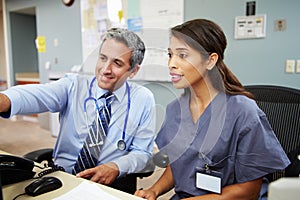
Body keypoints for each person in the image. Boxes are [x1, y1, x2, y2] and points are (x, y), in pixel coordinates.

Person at [134, 19, 290, 200]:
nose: (171, 64)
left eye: (182, 55)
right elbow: (179, 166)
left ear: (210, 61)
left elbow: (250, 191)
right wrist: (154, 190)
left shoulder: (242, 111)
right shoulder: (175, 110)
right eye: (170, 55)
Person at [0, 28, 156, 192]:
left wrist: (116, 166)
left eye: (117, 63)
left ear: (133, 70)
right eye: (103, 58)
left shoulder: (143, 99)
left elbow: (143, 153)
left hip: (110, 184)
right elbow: (37, 95)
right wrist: (5, 100)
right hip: (63, 178)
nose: (105, 69)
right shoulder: (73, 85)